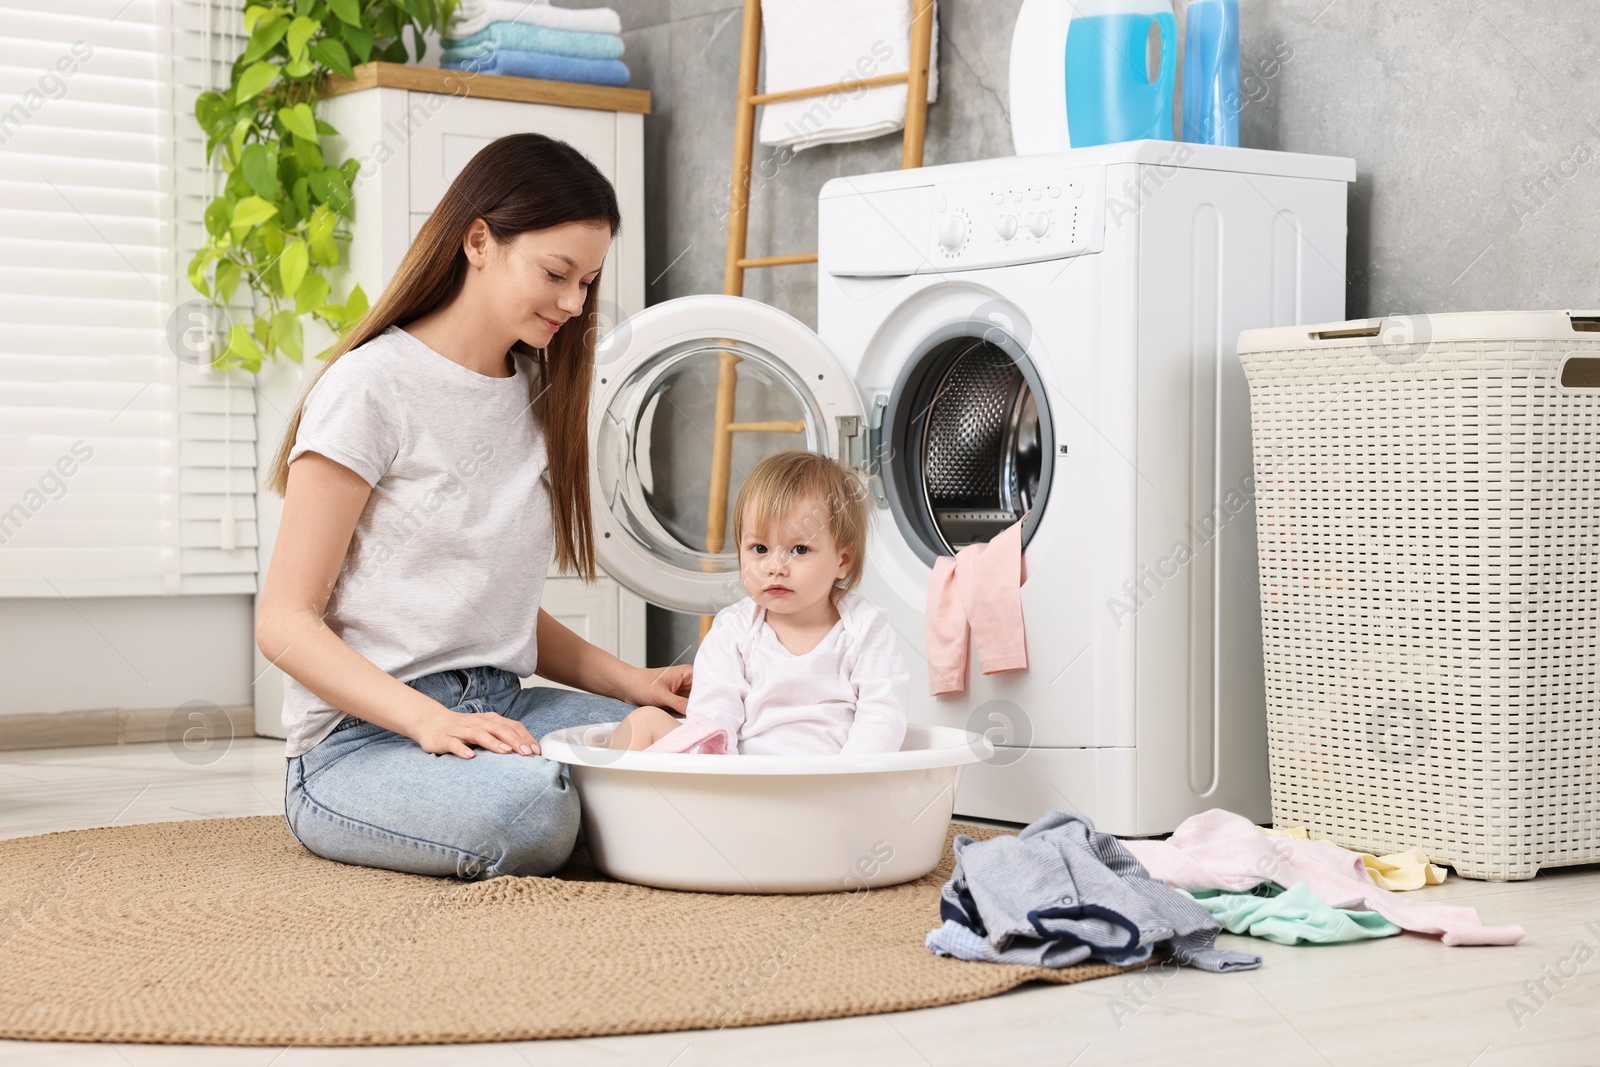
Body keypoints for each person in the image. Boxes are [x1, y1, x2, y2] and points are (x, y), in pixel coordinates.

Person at [257, 133, 691, 881]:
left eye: (587, 281)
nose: (575, 302)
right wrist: (429, 720)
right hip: (361, 743)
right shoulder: (371, 387)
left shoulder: (537, 391)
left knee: (705, 738)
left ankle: (613, 788)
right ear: (478, 240)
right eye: (557, 274)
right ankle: (609, 801)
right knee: (530, 812)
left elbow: (487, 607)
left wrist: (634, 683)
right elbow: (284, 621)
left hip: (501, 705)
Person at [608, 450, 909, 755]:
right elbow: (714, 710)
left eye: (800, 549)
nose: (775, 566)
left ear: (842, 560)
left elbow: (882, 714)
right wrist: (723, 769)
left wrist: (850, 776)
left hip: (828, 778)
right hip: (742, 776)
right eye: (760, 548)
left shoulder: (866, 628)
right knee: (643, 722)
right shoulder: (735, 629)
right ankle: (669, 799)